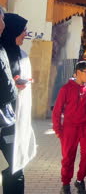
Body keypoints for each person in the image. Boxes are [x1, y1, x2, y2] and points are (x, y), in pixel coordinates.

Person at [0, 12, 37, 194]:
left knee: (15, 166)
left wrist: (22, 83)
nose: (25, 33)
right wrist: (14, 85)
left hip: (11, 119)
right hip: (4, 120)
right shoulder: (2, 53)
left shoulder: (20, 54)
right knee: (15, 167)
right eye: (22, 30)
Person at [52, 61, 86, 194]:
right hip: (70, 129)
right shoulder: (66, 88)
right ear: (78, 72)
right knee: (68, 157)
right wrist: (57, 129)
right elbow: (57, 111)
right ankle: (65, 183)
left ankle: (80, 180)